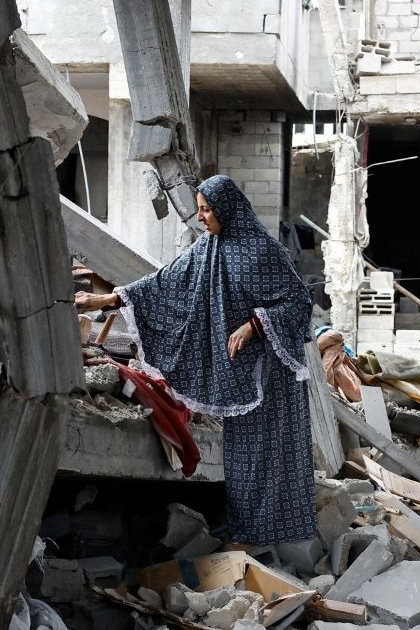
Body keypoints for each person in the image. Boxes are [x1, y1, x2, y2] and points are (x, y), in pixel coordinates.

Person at [75, 175, 317, 547]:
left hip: (271, 374)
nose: (201, 217)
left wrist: (253, 325)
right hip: (239, 375)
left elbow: (297, 302)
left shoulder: (264, 252)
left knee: (273, 453)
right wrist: (104, 301)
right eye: (200, 208)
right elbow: (162, 284)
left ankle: (274, 535)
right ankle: (248, 534)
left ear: (227, 210)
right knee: (242, 458)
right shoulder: (209, 248)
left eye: (207, 209)